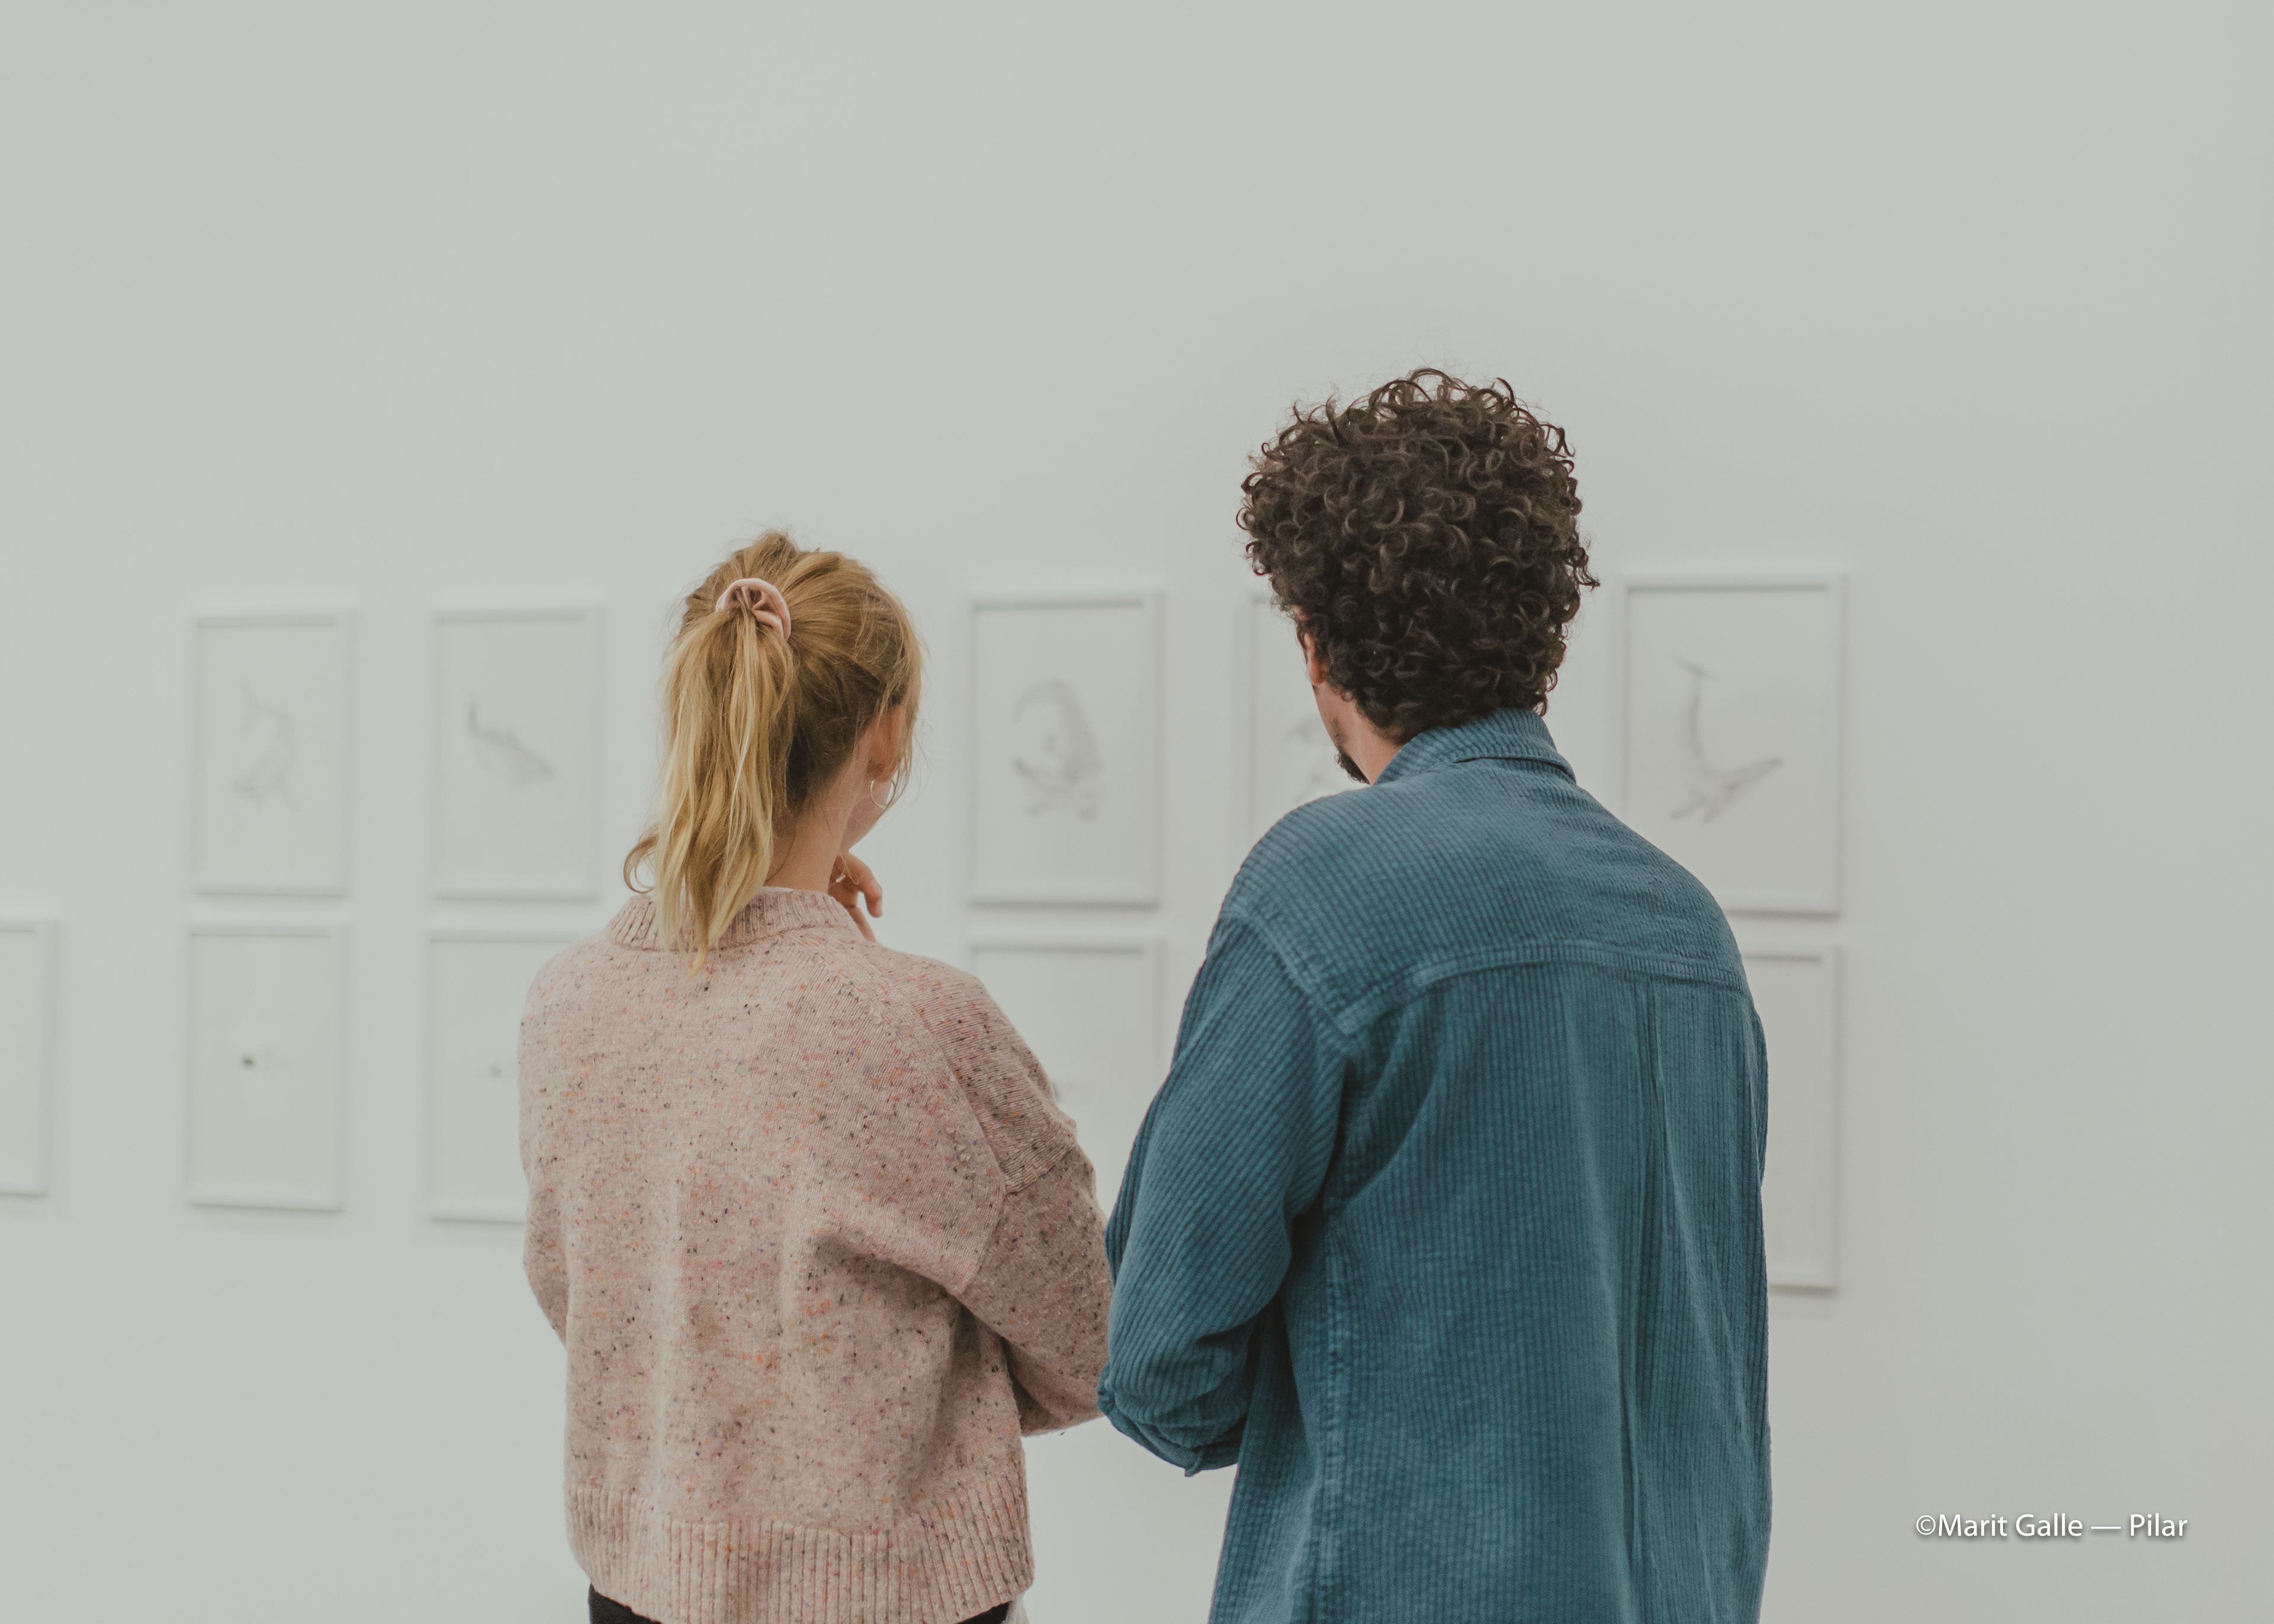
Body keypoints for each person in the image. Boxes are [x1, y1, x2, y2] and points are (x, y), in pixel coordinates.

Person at [1098, 371, 1773, 1622]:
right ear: (1540, 634)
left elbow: (1160, 1363)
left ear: (1316, 645)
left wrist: (1347, 1389)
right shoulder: (1689, 929)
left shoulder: (1326, 885)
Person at [519, 535, 1110, 1624]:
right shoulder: (922, 1024)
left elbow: (597, 1300)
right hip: (888, 1599)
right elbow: (1087, 1335)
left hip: (636, 1591)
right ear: (885, 733)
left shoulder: (568, 1002)